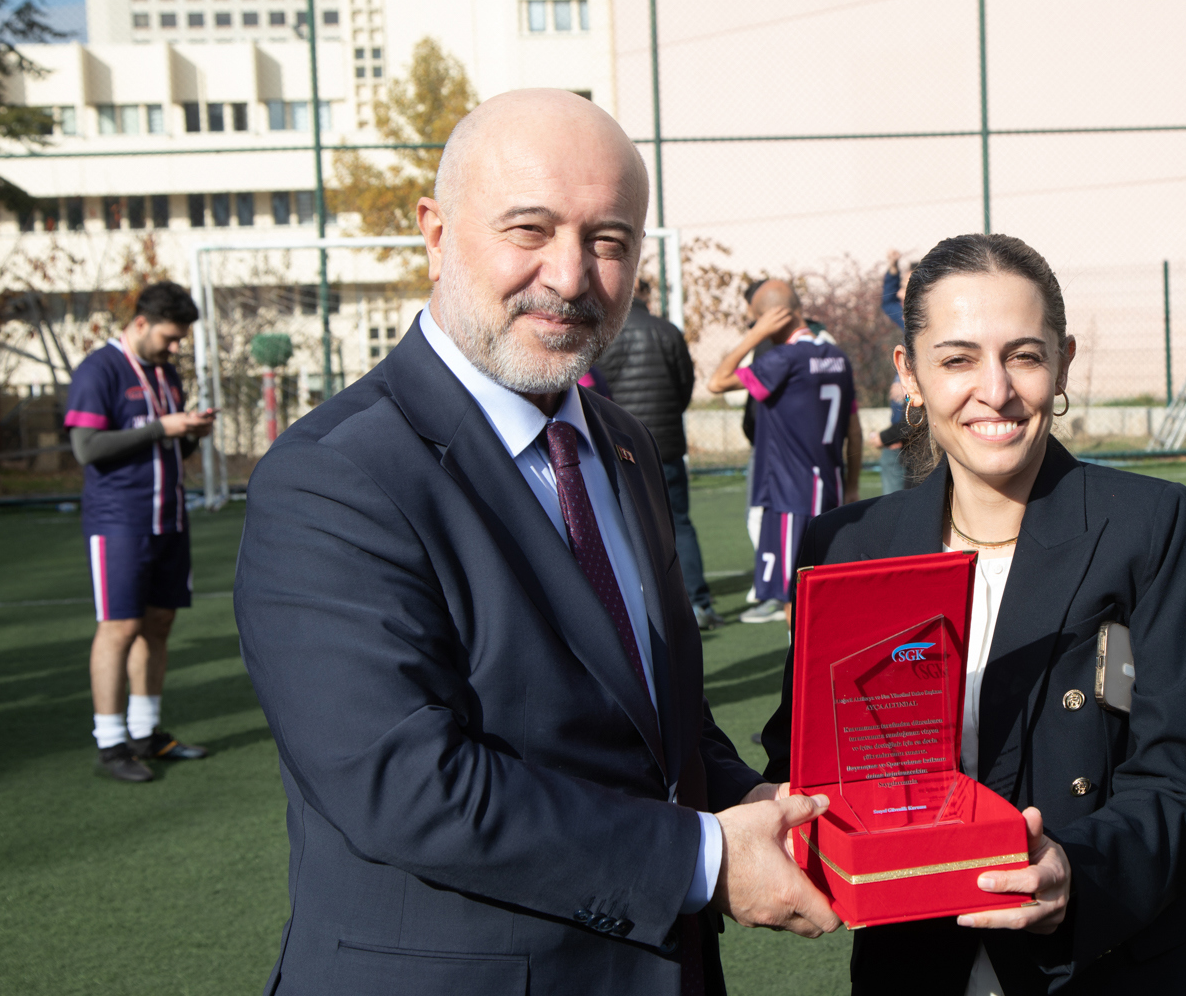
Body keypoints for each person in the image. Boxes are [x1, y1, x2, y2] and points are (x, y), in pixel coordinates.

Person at [234, 89, 839, 996]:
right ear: (436, 234)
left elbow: (652, 713)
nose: (570, 274)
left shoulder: (620, 445)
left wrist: (743, 798)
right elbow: (407, 785)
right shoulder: (333, 475)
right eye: (530, 229)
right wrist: (707, 858)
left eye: (609, 240)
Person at [760, 233, 1186, 995]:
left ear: (1063, 363)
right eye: (958, 359)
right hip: (915, 964)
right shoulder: (848, 546)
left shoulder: (1148, 524)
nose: (995, 390)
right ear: (910, 373)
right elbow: (803, 758)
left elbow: (1181, 781)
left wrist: (1076, 874)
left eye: (1023, 356)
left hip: (1114, 962)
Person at [64, 281, 215, 782]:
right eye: (170, 337)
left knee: (159, 623)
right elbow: (87, 448)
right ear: (142, 323)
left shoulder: (166, 373)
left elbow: (171, 446)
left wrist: (190, 433)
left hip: (169, 517)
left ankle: (146, 733)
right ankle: (111, 744)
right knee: (120, 628)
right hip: (119, 521)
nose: (175, 348)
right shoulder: (99, 369)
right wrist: (162, 428)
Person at [708, 280, 861, 624]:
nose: (755, 327)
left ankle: (800, 659)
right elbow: (854, 430)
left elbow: (717, 381)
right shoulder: (838, 357)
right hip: (832, 489)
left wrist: (754, 336)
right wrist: (852, 485)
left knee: (795, 598)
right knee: (828, 590)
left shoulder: (783, 359)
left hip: (791, 496)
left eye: (756, 320)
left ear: (773, 317)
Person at [596, 279, 721, 630]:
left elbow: (597, 390)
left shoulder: (606, 331)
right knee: (679, 522)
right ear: (648, 295)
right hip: (666, 443)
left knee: (621, 526)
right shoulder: (668, 331)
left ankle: (642, 611)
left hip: (618, 443)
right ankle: (698, 602)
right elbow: (685, 386)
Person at [870, 249, 911, 493]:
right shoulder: (909, 322)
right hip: (902, 430)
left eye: (905, 286)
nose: (899, 293)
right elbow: (887, 302)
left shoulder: (928, 328)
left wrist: (909, 384)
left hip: (911, 433)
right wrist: (893, 269)